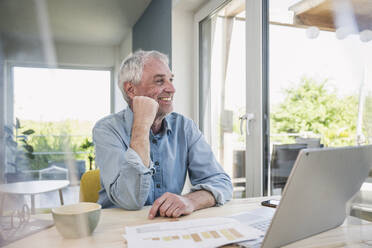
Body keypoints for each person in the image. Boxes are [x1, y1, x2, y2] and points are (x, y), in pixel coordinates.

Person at [93, 50, 232, 219]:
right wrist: (142, 126)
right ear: (131, 89)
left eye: (171, 80)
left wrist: (190, 201)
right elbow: (129, 201)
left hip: (166, 226)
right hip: (117, 228)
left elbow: (221, 182)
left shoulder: (185, 127)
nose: (172, 89)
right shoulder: (106, 129)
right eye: (159, 81)